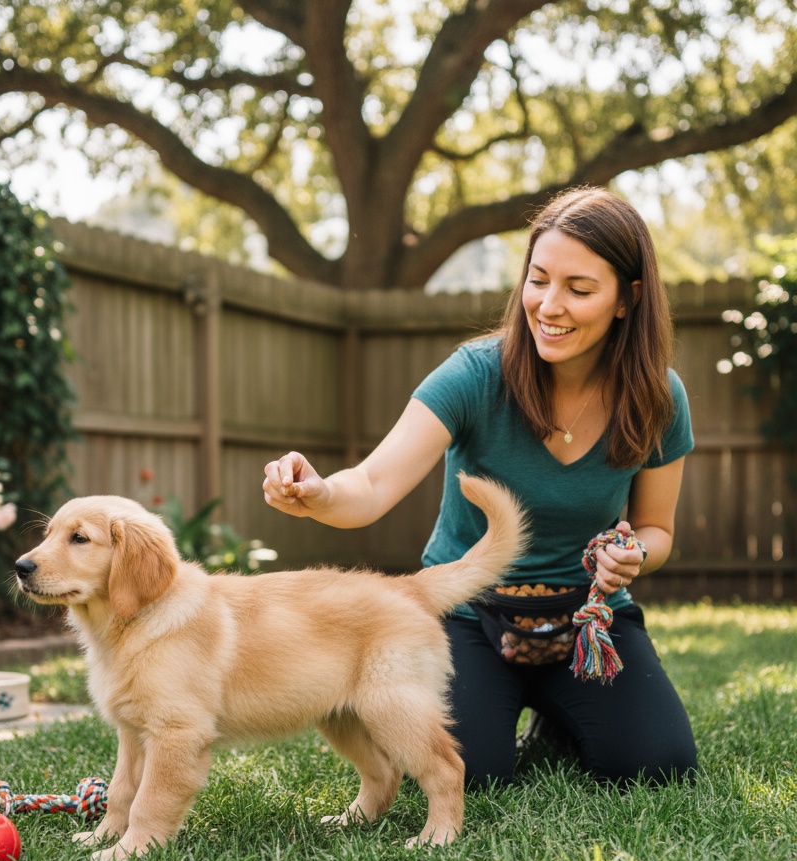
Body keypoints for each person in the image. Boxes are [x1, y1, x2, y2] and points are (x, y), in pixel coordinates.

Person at [262, 185, 698, 788]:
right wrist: (318, 494)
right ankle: (518, 708)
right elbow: (371, 483)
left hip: (588, 622)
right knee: (471, 773)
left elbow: (658, 529)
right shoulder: (474, 374)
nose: (549, 305)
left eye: (579, 289)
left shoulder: (657, 397)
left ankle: (559, 713)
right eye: (538, 279)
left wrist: (635, 555)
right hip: (469, 616)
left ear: (628, 298)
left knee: (658, 766)